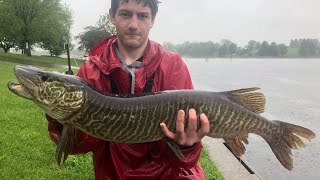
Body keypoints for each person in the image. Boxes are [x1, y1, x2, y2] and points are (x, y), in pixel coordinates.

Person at [47, 0, 210, 179]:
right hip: (113, 173)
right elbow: (81, 145)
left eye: (142, 16)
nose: (133, 25)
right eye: (125, 14)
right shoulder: (91, 72)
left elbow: (184, 162)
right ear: (112, 16)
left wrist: (188, 145)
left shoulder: (173, 66)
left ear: (152, 19)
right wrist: (62, 124)